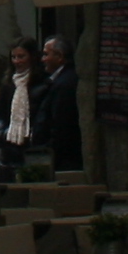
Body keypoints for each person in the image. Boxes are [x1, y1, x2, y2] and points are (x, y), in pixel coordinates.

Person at [33, 36, 85, 174]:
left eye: (46, 54)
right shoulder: (58, 81)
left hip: (62, 160)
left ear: (59, 56)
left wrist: (48, 154)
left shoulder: (64, 84)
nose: (42, 59)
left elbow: (61, 124)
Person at [0, 42, 48, 173]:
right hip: (10, 147)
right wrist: (1, 133)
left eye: (21, 56)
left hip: (33, 147)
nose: (17, 61)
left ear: (32, 57)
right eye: (14, 57)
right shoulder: (8, 84)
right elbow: (0, 113)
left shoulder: (43, 83)